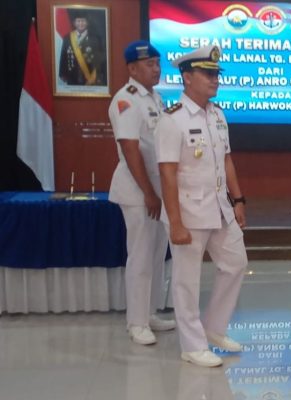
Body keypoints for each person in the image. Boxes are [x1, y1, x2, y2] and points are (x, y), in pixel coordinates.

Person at [155, 45, 248, 367]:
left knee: (236, 263)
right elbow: (167, 173)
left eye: (216, 74)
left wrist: (238, 199)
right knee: (187, 280)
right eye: (207, 74)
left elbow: (226, 160)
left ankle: (214, 328)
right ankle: (192, 345)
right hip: (188, 212)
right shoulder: (173, 120)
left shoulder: (217, 115)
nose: (214, 79)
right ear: (187, 77)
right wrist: (175, 222)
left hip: (220, 208)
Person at [108, 40, 175, 345]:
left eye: (157, 63)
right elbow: (130, 149)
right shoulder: (127, 100)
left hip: (157, 190)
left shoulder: (155, 99)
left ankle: (149, 313)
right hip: (138, 191)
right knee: (141, 256)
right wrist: (149, 193)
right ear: (132, 69)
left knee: (157, 254)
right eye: (149, 64)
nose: (156, 69)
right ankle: (136, 322)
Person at [58, 12, 106, 86]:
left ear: (87, 23)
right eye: (78, 21)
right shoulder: (67, 38)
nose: (81, 23)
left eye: (83, 21)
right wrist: (62, 73)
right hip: (72, 76)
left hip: (90, 78)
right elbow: (63, 56)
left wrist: (99, 74)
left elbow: (100, 59)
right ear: (74, 23)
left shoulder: (95, 39)